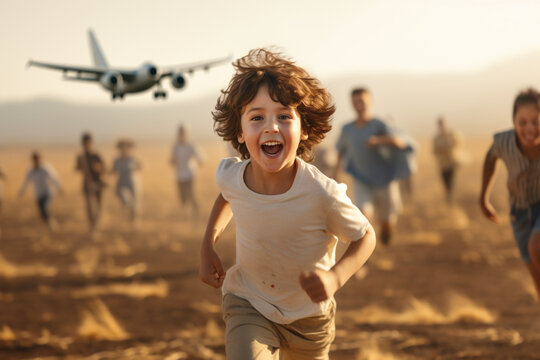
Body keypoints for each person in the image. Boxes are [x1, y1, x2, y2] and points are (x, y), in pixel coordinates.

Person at [200, 49, 376, 360]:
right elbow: (228, 195)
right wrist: (208, 244)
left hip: (310, 320)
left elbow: (365, 236)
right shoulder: (231, 176)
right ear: (239, 132)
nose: (271, 127)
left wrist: (335, 277)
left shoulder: (322, 193)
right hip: (248, 303)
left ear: (304, 128)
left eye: (284, 116)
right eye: (257, 117)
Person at [480, 88, 540, 300]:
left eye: (536, 121)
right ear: (514, 122)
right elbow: (490, 159)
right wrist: (483, 197)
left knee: (537, 245)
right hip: (519, 213)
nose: (530, 128)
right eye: (523, 122)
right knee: (535, 274)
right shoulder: (504, 142)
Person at [334, 88, 414, 246]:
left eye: (362, 101)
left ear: (370, 102)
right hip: (362, 179)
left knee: (387, 219)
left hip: (385, 179)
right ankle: (364, 251)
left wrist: (379, 140)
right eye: (356, 102)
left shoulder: (379, 124)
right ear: (352, 104)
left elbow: (400, 142)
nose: (359, 105)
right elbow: (340, 152)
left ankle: (386, 231)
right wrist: (335, 175)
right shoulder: (347, 129)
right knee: (363, 215)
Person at [18, 151, 62, 230]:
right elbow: (26, 182)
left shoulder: (45, 168)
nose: (36, 161)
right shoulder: (30, 171)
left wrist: (59, 187)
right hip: (38, 194)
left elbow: (54, 177)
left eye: (37, 159)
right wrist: (21, 191)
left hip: (47, 192)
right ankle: (49, 222)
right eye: (34, 159)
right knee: (41, 211)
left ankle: (52, 223)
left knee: (44, 207)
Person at [170, 124, 204, 223]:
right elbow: (172, 160)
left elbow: (201, 157)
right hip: (179, 176)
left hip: (189, 175)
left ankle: (196, 216)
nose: (181, 135)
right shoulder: (175, 146)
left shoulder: (191, 145)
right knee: (183, 199)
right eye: (180, 133)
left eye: (183, 132)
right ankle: (186, 218)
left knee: (191, 196)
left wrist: (198, 163)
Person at [75, 132, 105, 233]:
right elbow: (77, 168)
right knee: (89, 208)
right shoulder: (81, 157)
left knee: (98, 207)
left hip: (98, 183)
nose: (86, 144)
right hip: (87, 184)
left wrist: (98, 168)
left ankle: (96, 225)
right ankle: (92, 227)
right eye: (85, 142)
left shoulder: (96, 155)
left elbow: (104, 167)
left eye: (88, 142)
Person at [433, 116, 463, 204]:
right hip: (442, 164)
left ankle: (451, 199)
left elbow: (458, 144)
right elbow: (434, 151)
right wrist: (440, 151)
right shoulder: (436, 137)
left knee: (451, 182)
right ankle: (449, 199)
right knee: (445, 183)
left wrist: (448, 149)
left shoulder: (452, 134)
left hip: (452, 162)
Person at [112, 138, 142, 224]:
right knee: (126, 200)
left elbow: (141, 167)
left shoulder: (133, 159)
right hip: (122, 183)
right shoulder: (117, 160)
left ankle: (134, 221)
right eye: (122, 148)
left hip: (133, 183)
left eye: (126, 148)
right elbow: (112, 171)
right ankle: (128, 214)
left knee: (135, 204)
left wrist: (138, 167)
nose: (124, 150)